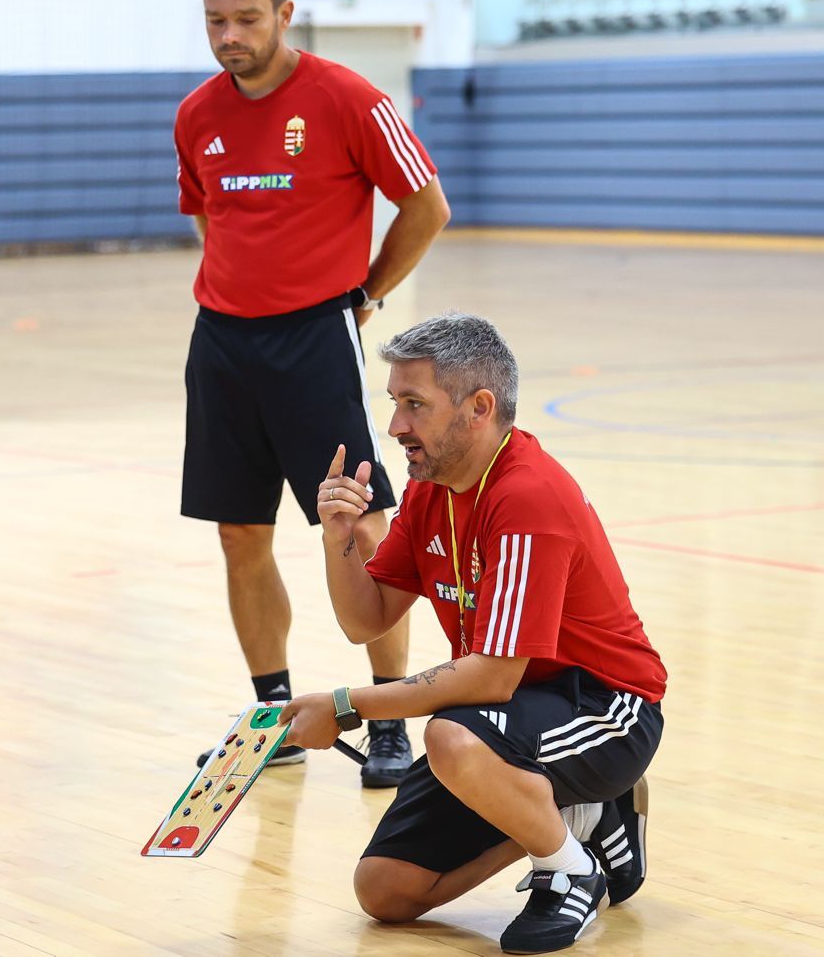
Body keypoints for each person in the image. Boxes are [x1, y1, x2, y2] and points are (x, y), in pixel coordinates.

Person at [280, 313, 666, 954]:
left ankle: (568, 869)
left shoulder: (529, 495)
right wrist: (338, 538)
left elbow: (491, 674)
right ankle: (580, 816)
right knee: (385, 891)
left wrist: (346, 707)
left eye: (415, 405)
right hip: (507, 714)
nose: (396, 426)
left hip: (604, 707)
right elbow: (365, 620)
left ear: (479, 408)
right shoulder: (431, 488)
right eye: (394, 403)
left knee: (450, 737)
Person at [175, 0, 452, 787]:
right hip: (222, 345)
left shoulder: (348, 99)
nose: (230, 36)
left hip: (314, 342)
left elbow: (426, 204)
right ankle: (273, 719)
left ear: (285, 14)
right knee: (239, 534)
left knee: (361, 527)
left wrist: (365, 293)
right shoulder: (195, 115)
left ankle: (391, 716)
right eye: (216, 21)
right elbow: (209, 218)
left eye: (247, 19)